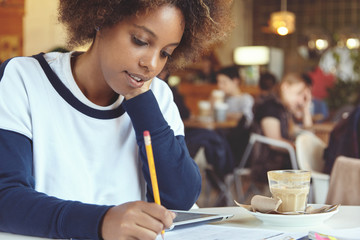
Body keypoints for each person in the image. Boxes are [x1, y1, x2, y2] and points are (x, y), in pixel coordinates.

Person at [0, 1, 233, 239]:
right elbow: (5, 197)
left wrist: (140, 100)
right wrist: (102, 222)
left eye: (165, 53)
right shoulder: (23, 79)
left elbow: (179, 198)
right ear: (101, 18)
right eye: (140, 41)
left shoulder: (158, 96)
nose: (151, 64)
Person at [251, 73, 313, 183]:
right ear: (285, 87)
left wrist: (306, 108)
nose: (300, 100)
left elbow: (308, 135)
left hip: (282, 162)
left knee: (313, 164)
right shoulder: (270, 106)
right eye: (298, 94)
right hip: (268, 165)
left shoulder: (283, 109)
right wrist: (298, 148)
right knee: (313, 168)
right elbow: (274, 142)